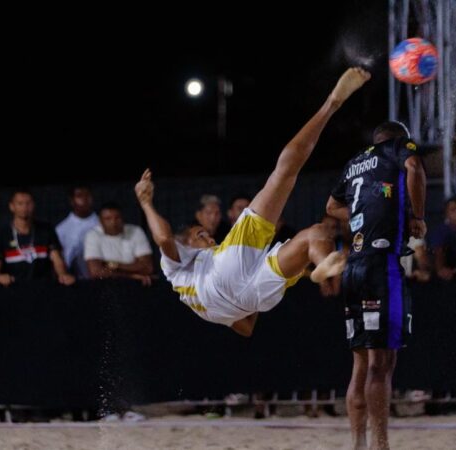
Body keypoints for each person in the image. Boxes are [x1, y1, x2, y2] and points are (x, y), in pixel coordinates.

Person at [136, 67, 370, 337]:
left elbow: (246, 329)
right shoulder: (177, 267)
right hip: (227, 276)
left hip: (256, 297)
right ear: (186, 244)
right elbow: (164, 237)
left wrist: (242, 297)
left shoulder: (196, 292)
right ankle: (331, 104)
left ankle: (324, 264)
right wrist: (145, 202)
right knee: (282, 176)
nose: (209, 238)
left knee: (316, 234)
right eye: (200, 235)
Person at [325, 120, 427, 450]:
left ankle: (357, 443)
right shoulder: (399, 147)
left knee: (361, 363)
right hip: (381, 268)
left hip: (353, 266)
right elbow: (414, 168)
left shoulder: (355, 162)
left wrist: (361, 215)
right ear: (398, 140)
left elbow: (331, 206)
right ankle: (380, 445)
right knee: (382, 365)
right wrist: (419, 215)